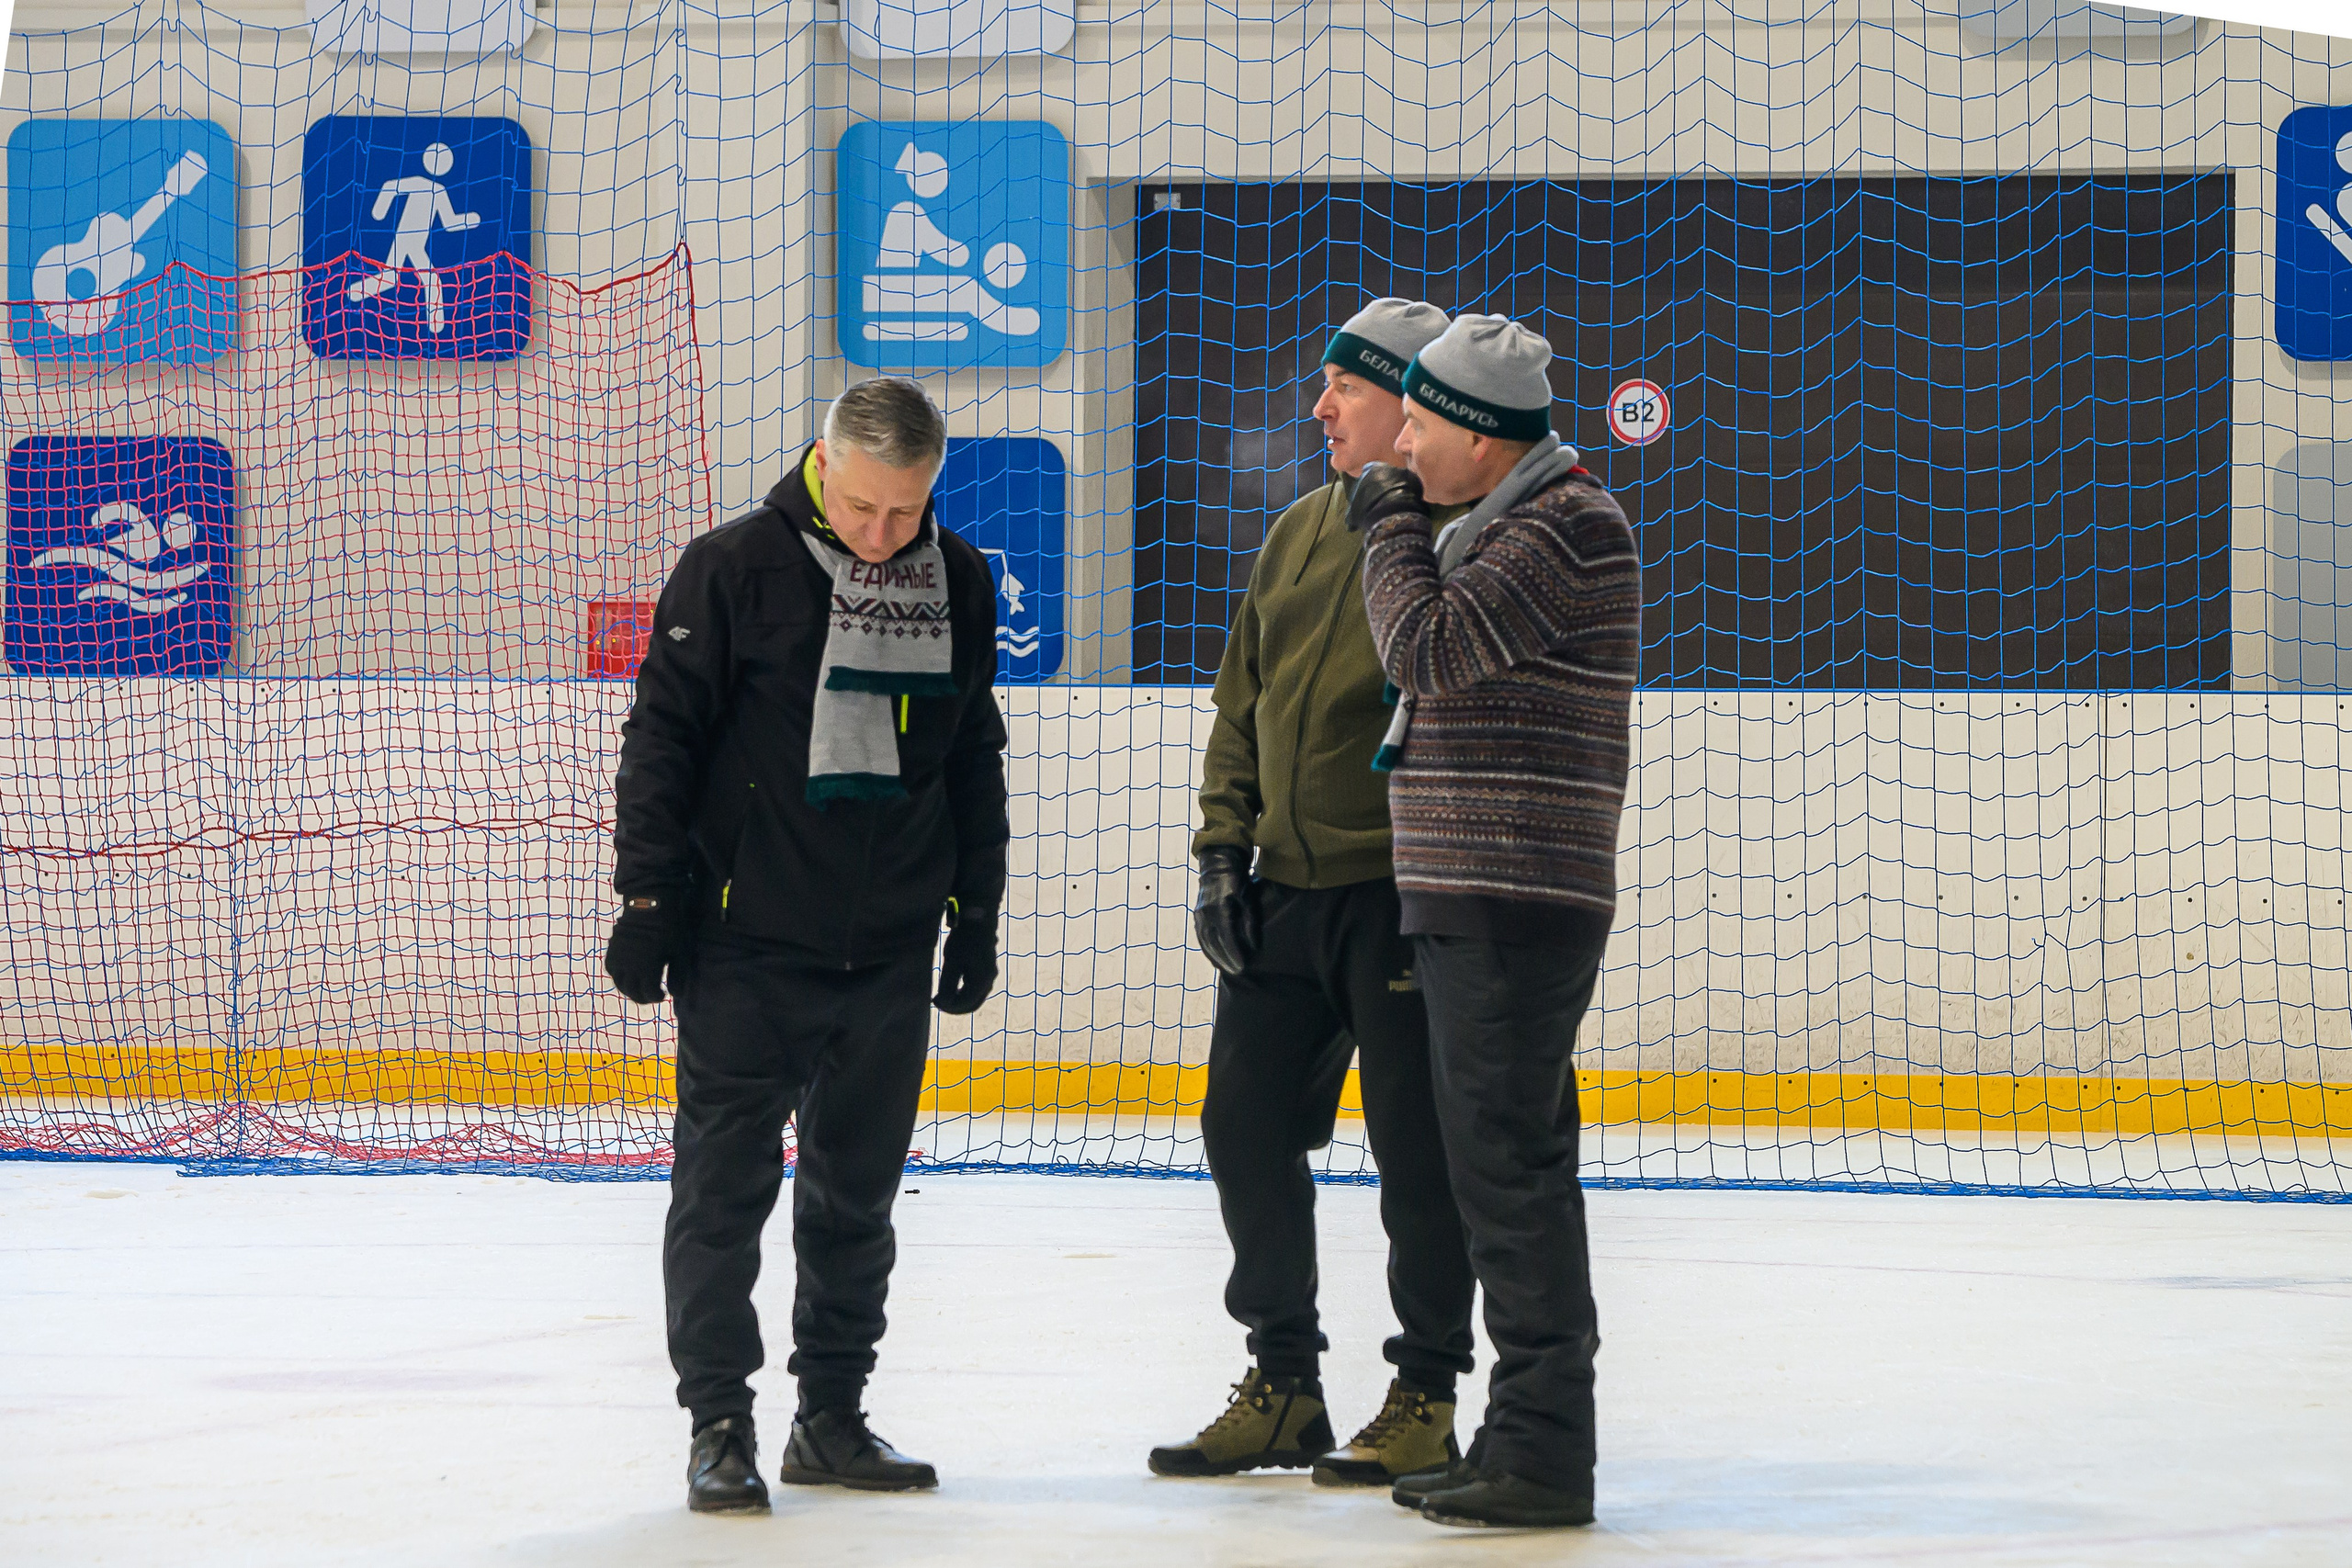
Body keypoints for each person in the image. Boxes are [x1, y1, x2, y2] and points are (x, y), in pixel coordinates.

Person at [606, 377, 1009, 1514]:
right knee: (722, 1195)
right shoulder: (732, 569)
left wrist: (975, 907)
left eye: (908, 513)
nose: (886, 537)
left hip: (885, 946)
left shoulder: (959, 579)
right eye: (867, 509)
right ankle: (720, 1426)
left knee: (857, 1200)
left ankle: (830, 1418)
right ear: (823, 467)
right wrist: (648, 902)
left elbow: (970, 750)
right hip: (746, 945)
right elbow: (662, 742)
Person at [1149, 299, 1479, 1487]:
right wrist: (1219, 851)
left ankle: (1428, 1389)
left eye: (1344, 386)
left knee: (1420, 1157)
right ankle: (1284, 1379)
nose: (1318, 406)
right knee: (1241, 1126)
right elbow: (1244, 702)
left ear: (1411, 402)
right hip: (1283, 894)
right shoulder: (1295, 529)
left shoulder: (1464, 535)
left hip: (1403, 893)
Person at [1350, 314, 1642, 1530]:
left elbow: (1428, 645)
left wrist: (1389, 529)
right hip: (1476, 895)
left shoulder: (1569, 524)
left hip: (1517, 897)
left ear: (1476, 431)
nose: (1401, 444)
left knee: (1510, 1172)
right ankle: (1517, 1434)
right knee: (1495, 1167)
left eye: (1417, 423)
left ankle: (1544, 1451)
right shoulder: (1504, 519)